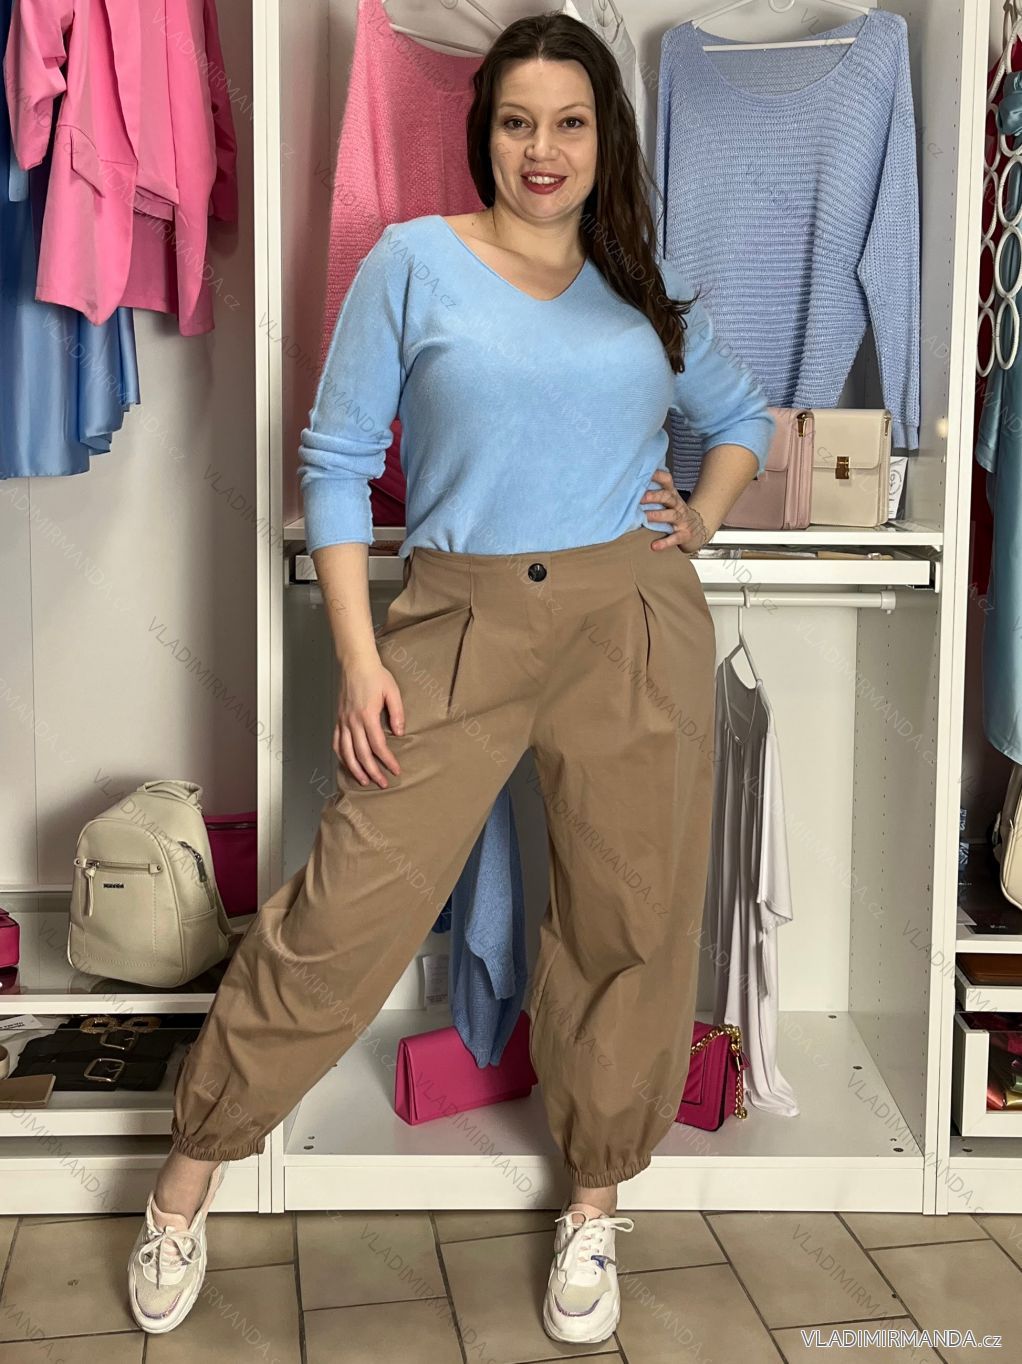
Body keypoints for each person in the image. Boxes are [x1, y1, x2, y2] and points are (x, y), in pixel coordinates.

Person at [126, 10, 774, 1347]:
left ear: (605, 141)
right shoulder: (413, 262)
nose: (543, 149)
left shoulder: (643, 288)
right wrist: (360, 660)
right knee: (344, 912)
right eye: (517, 121)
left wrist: (700, 518)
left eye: (570, 123)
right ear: (484, 134)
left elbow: (740, 420)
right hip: (459, 621)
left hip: (631, 623)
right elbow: (333, 463)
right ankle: (186, 1178)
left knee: (628, 918)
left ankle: (593, 1205)